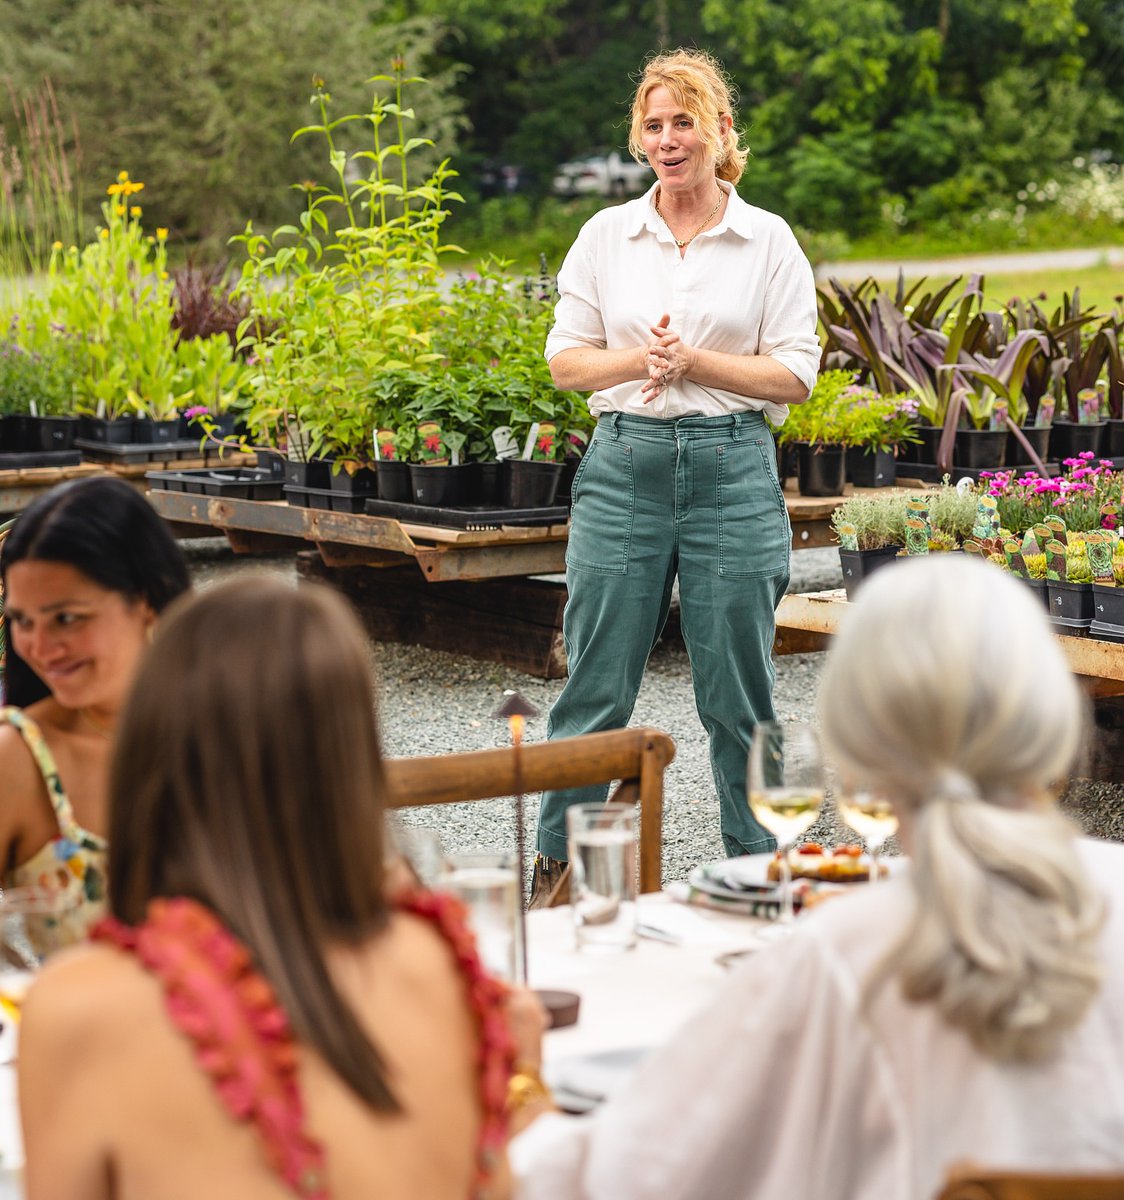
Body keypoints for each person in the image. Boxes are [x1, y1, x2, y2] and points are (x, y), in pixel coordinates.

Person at [509, 555, 1124, 1198]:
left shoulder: (843, 957)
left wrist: (524, 1089)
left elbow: (628, 1176)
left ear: (858, 743)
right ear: (1054, 721)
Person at [18, 577, 545, 1199]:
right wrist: (528, 1084)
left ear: (148, 751)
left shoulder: (82, 1009)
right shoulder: (443, 964)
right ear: (353, 761)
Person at [533, 48, 820, 898]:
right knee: (594, 683)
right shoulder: (606, 236)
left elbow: (794, 375)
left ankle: (759, 872)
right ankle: (561, 878)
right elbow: (565, 361)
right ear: (640, 139)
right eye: (653, 125)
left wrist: (694, 362)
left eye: (684, 121)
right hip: (625, 467)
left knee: (739, 694)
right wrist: (642, 361)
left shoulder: (766, 239)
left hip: (732, 471)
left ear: (720, 130)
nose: (668, 138)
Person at [0, 477, 190, 937]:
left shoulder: (235, 726)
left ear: (147, 600)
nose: (39, 647)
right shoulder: (18, 759)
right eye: (21, 620)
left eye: (66, 618)